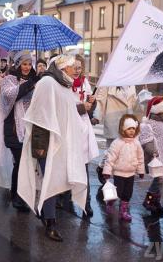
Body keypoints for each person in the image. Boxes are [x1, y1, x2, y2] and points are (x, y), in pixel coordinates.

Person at [17, 54, 88, 241]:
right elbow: (39, 117)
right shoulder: (48, 83)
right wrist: (40, 146)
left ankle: (45, 213)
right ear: (64, 67)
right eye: (74, 66)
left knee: (55, 179)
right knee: (50, 179)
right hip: (47, 143)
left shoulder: (64, 85)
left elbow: (68, 112)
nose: (77, 70)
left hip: (62, 143)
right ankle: (50, 223)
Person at [0, 51, 37, 212]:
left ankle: (22, 194)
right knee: (20, 162)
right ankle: (17, 197)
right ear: (18, 65)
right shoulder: (9, 80)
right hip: (14, 128)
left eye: (29, 64)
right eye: (24, 64)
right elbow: (11, 95)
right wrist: (31, 83)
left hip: (30, 128)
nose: (27, 67)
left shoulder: (34, 80)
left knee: (26, 164)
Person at [102, 114, 145, 222]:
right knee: (118, 192)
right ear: (123, 129)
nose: (131, 131)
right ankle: (110, 202)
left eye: (133, 129)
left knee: (127, 193)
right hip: (119, 173)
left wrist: (140, 171)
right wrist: (107, 171)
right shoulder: (117, 143)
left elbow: (140, 158)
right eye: (129, 129)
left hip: (130, 173)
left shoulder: (136, 143)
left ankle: (123, 211)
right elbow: (110, 158)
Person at [72, 54, 98, 217]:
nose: (77, 70)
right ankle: (65, 196)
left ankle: (86, 202)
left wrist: (92, 102)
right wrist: (83, 108)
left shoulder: (85, 83)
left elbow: (89, 106)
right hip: (70, 128)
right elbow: (64, 107)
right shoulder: (63, 84)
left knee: (84, 166)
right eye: (74, 67)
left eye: (79, 67)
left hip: (83, 129)